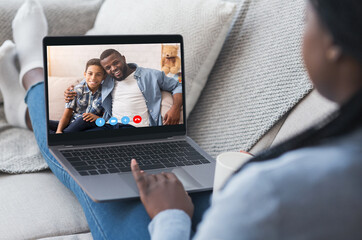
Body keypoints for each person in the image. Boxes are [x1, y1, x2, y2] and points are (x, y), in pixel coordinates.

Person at [0, 0, 361, 239]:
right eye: (105, 68)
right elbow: (88, 96)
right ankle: (30, 104)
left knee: (100, 179)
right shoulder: (106, 83)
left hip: (163, 184)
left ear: (335, 44)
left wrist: (170, 214)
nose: (109, 70)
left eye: (306, 19)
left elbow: (174, 85)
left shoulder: (151, 74)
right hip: (116, 130)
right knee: (73, 137)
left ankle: (32, 73)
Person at [65, 49, 183, 127]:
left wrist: (175, 108)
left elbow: (177, 86)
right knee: (74, 127)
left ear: (123, 58)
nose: (113, 68)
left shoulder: (151, 75)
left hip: (137, 128)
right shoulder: (107, 79)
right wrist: (72, 90)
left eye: (116, 63)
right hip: (110, 127)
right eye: (108, 67)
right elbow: (90, 80)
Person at [49, 58, 106, 134]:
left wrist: (98, 118)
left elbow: (106, 116)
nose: (93, 78)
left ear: (104, 77)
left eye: (98, 74)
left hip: (90, 124)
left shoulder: (105, 93)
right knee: (45, 124)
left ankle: (61, 138)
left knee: (83, 118)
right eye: (90, 73)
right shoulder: (76, 90)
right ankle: (60, 136)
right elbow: (66, 116)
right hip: (72, 124)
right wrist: (59, 131)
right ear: (85, 74)